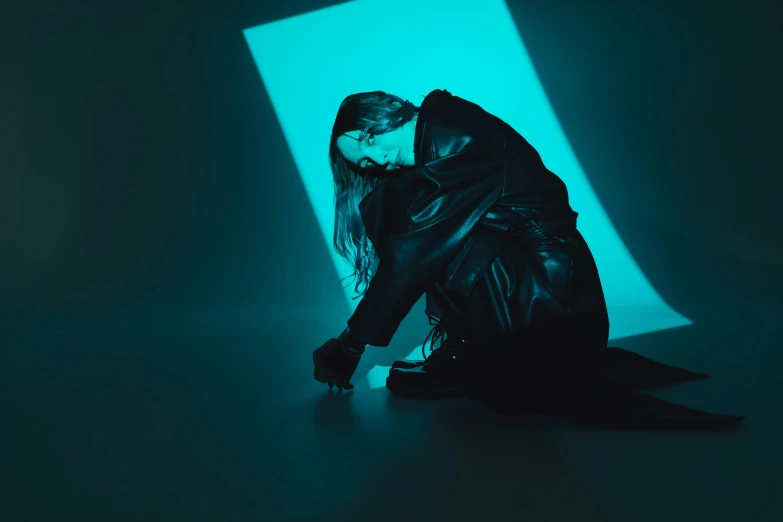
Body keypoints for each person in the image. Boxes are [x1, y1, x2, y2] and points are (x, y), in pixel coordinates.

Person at [313, 89, 744, 430]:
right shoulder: (439, 136)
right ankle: (473, 350)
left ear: (379, 122)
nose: (378, 164)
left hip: (547, 296)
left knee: (420, 225)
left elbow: (414, 255)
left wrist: (351, 343)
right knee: (398, 200)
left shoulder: (456, 138)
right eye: (366, 164)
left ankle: (481, 355)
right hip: (529, 279)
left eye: (370, 148)